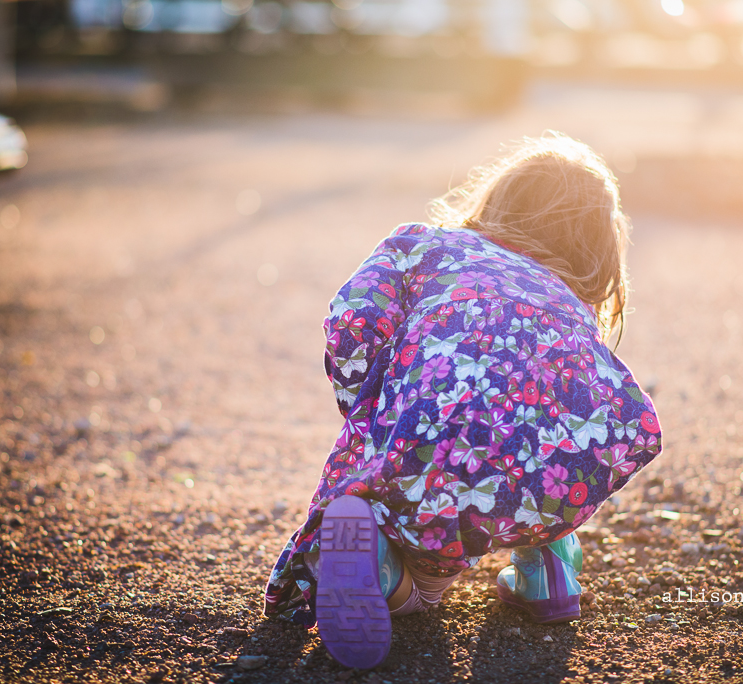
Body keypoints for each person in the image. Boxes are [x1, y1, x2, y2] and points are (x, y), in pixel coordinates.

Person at [263, 132, 663, 669]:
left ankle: (396, 571)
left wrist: (373, 406)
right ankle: (548, 569)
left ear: (495, 201)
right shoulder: (568, 302)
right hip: (554, 480)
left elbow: (354, 319)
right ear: (597, 245)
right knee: (542, 423)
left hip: (430, 444)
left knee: (431, 550)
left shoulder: (425, 246)